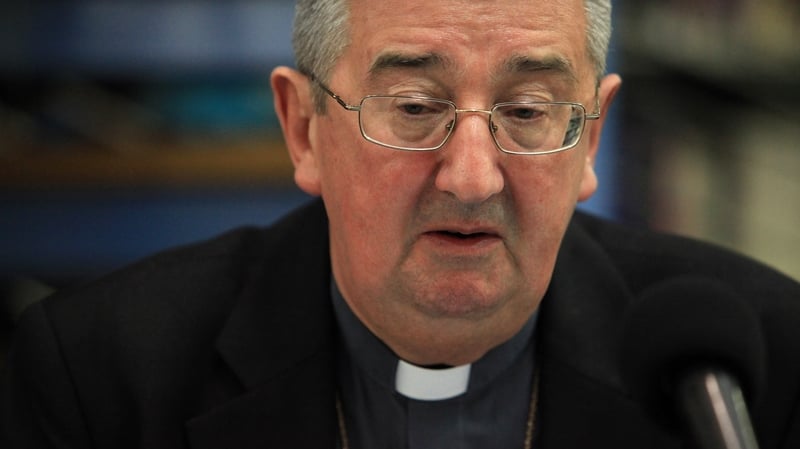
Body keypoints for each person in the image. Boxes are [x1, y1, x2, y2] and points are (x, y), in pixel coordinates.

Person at [2, 0, 799, 448]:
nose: (473, 175)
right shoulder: (97, 375)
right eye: (416, 109)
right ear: (304, 127)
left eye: (527, 112)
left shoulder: (755, 369)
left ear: (589, 137)